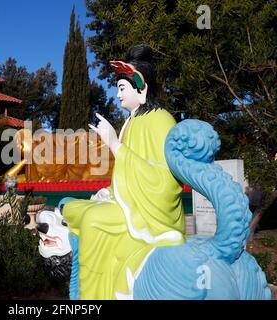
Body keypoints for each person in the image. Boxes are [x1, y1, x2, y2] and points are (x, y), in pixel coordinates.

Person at [63, 44, 185, 299]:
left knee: (92, 221)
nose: (117, 95)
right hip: (128, 202)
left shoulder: (161, 121)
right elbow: (126, 175)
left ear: (141, 89)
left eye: (121, 88)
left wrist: (115, 144)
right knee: (71, 208)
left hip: (150, 215)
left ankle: (94, 297)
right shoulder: (131, 122)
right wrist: (108, 192)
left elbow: (164, 182)